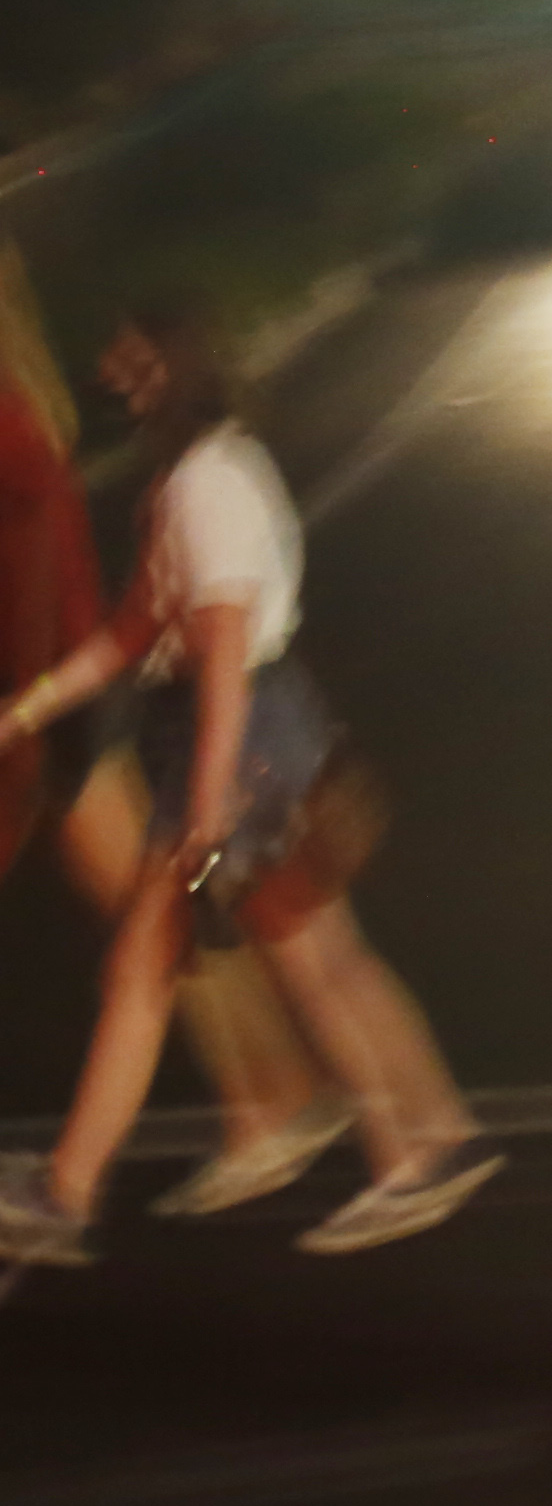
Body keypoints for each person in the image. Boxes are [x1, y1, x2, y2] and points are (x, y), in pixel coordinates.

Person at [0, 304, 496, 1265]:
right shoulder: (202, 474)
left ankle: (404, 1157)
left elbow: (222, 644)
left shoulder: (205, 487)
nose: (123, 386)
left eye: (140, 369)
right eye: (122, 371)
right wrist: (25, 708)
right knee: (294, 962)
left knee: (261, 966)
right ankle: (434, 1141)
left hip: (240, 742)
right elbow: (135, 630)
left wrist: (210, 793)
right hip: (246, 733)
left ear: (186, 373)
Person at [0, 245, 347, 1216]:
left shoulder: (9, 413)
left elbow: (48, 569)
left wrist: (29, 709)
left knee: (158, 934)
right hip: (57, 693)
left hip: (55, 699)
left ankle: (269, 1104)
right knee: (157, 937)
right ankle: (268, 1097)